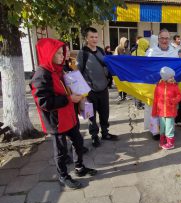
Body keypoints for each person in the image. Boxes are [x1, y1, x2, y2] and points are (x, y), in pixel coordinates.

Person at [31, 38, 97, 189]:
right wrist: (69, 98)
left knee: (78, 142)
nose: (63, 56)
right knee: (60, 151)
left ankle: (79, 168)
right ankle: (63, 175)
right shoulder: (41, 75)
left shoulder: (58, 70)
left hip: (69, 116)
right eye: (59, 53)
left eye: (62, 53)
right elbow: (44, 102)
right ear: (49, 54)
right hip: (56, 121)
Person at [77, 27, 118, 147]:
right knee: (91, 116)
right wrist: (82, 94)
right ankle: (94, 136)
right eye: (91, 37)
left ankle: (105, 133)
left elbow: (107, 65)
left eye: (96, 37)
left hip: (103, 89)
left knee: (105, 113)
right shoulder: (82, 53)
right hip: (90, 92)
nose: (94, 39)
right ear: (86, 38)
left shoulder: (100, 50)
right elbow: (78, 73)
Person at [145, 29, 179, 140]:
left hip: (169, 88)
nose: (164, 40)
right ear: (158, 39)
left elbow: (177, 68)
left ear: (169, 39)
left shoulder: (174, 52)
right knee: (154, 107)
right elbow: (146, 68)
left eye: (167, 38)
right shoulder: (151, 52)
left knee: (168, 108)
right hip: (155, 86)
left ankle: (168, 131)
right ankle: (155, 131)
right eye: (162, 38)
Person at [63, 44, 89, 160]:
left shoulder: (69, 65)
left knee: (75, 126)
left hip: (74, 100)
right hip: (65, 102)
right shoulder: (58, 69)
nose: (68, 53)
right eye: (64, 51)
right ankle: (65, 154)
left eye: (68, 50)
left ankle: (77, 147)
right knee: (65, 131)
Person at [152, 67, 181, 150]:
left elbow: (179, 96)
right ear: (165, 78)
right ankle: (162, 139)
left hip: (170, 112)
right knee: (162, 128)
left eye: (173, 77)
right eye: (170, 77)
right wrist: (154, 111)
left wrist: (174, 100)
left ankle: (170, 143)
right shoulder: (158, 87)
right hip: (161, 112)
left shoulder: (174, 86)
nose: (173, 79)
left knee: (169, 128)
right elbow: (155, 100)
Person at [132, 38, 150, 110]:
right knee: (141, 88)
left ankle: (137, 103)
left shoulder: (134, 52)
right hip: (142, 73)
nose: (147, 46)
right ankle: (139, 104)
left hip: (134, 72)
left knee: (136, 88)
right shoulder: (144, 53)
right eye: (146, 45)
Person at [114, 37, 131, 102]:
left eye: (127, 42)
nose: (126, 43)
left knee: (125, 82)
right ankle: (120, 95)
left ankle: (125, 95)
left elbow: (130, 57)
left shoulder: (128, 50)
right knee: (120, 82)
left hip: (126, 69)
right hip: (119, 68)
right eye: (125, 42)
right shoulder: (118, 48)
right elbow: (115, 57)